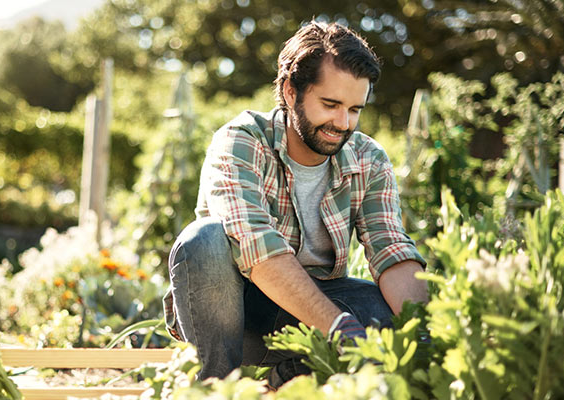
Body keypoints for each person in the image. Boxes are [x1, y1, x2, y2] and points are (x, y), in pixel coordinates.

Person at [162, 20, 428, 387]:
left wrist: (427, 333)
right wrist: (338, 326)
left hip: (311, 314)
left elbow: (391, 248)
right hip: (237, 318)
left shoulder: (369, 158)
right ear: (290, 91)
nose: (343, 122)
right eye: (330, 104)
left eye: (355, 109)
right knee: (203, 240)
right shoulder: (241, 141)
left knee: (387, 310)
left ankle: (293, 373)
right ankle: (216, 387)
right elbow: (258, 249)